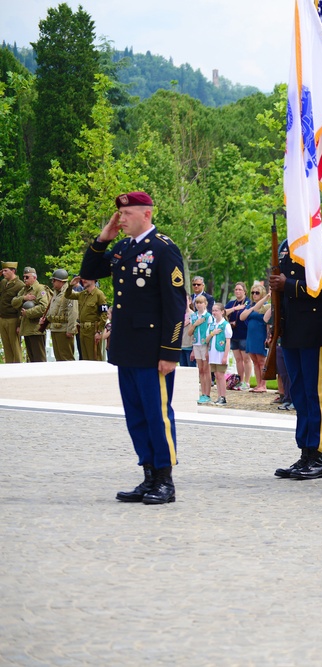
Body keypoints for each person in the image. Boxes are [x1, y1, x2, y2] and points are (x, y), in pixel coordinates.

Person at [80, 191, 187, 505]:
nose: (121, 219)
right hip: (127, 347)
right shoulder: (124, 247)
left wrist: (170, 352)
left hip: (153, 351)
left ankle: (165, 480)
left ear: (146, 215)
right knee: (136, 415)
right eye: (119, 215)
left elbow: (175, 304)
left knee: (157, 415)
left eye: (126, 215)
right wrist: (103, 238)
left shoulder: (163, 249)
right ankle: (148, 474)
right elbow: (88, 272)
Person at [270, 224, 322, 480]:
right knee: (298, 392)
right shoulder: (287, 244)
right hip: (292, 328)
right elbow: (279, 293)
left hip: (314, 328)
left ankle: (318, 455)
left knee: (315, 392)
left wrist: (289, 284)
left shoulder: (319, 243)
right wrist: (277, 324)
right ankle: (305, 452)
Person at [67, 276, 109, 361]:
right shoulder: (83, 294)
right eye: (83, 278)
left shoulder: (99, 294)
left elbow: (104, 314)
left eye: (86, 278)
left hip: (93, 330)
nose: (83, 280)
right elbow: (68, 295)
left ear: (93, 279)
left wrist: (99, 331)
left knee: (94, 357)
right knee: (84, 358)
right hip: (82, 329)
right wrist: (71, 285)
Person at [13, 267, 50, 362]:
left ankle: (42, 376)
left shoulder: (40, 289)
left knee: (39, 358)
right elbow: (13, 302)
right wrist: (24, 298)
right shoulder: (24, 290)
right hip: (26, 328)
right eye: (24, 277)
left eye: (27, 277)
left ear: (34, 277)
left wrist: (28, 312)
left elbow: (44, 307)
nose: (24, 279)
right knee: (31, 358)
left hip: (36, 328)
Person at [240, 281, 270, 391]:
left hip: (260, 335)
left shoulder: (266, 306)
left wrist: (267, 337)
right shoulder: (250, 306)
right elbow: (242, 317)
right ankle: (258, 384)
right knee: (255, 361)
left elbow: (267, 323)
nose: (254, 295)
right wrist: (251, 308)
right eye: (253, 292)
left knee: (261, 361)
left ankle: (263, 384)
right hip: (251, 336)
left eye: (257, 292)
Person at [43, 269, 78, 361]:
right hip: (55, 328)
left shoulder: (70, 294)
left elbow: (73, 313)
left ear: (61, 281)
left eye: (54, 280)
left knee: (66, 357)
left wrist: (70, 329)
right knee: (58, 358)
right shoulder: (55, 294)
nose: (52, 282)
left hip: (64, 329)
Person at [224, 282, 252, 390]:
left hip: (245, 334)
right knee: (238, 359)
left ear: (244, 291)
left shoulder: (248, 303)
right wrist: (235, 309)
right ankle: (241, 380)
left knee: (246, 359)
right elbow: (224, 312)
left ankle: (247, 381)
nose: (237, 291)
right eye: (236, 289)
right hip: (233, 334)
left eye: (240, 289)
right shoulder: (232, 303)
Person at [187, 295, 213, 404]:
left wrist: (208, 348)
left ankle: (207, 393)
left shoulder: (208, 316)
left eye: (201, 303)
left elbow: (210, 332)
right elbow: (189, 333)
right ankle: (202, 393)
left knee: (206, 370)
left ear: (205, 304)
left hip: (204, 344)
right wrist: (195, 324)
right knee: (201, 370)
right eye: (197, 303)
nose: (198, 305)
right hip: (196, 344)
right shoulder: (193, 317)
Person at [205, 302, 232, 405]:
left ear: (222, 312)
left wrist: (225, 356)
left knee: (220, 375)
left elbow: (228, 341)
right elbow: (206, 340)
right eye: (213, 310)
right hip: (213, 353)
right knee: (216, 374)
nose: (214, 312)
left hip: (220, 353)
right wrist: (212, 333)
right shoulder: (212, 325)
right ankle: (219, 396)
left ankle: (223, 396)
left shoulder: (225, 325)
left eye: (216, 310)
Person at [1, 261, 25, 362]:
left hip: (13, 319)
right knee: (6, 346)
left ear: (13, 271)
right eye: (2, 271)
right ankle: (9, 368)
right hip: (2, 318)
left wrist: (19, 324)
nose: (3, 273)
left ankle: (18, 368)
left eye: (6, 271)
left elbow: (21, 307)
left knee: (15, 346)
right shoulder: (3, 283)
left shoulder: (20, 285)